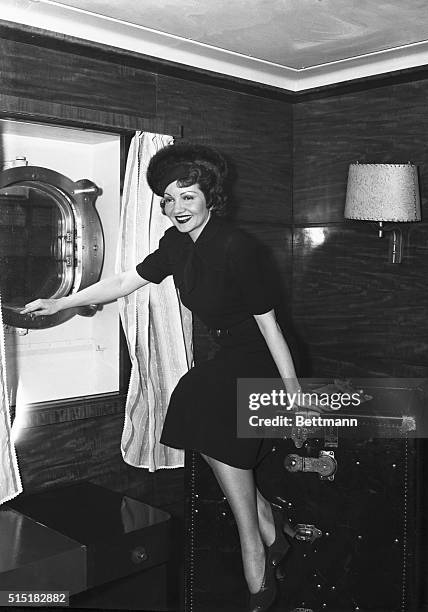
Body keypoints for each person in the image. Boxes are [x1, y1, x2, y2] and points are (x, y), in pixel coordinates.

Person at [22, 143, 302, 611]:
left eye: (187, 196)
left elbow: (270, 326)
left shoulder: (238, 247)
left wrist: (294, 395)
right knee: (197, 405)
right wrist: (62, 302)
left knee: (201, 397)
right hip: (230, 357)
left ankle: (254, 545)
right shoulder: (175, 246)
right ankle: (269, 528)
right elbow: (124, 282)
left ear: (211, 197)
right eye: (167, 199)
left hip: (263, 362)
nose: (176, 208)